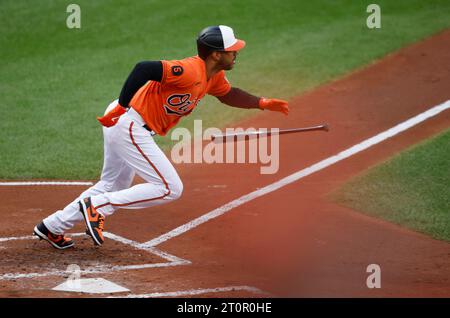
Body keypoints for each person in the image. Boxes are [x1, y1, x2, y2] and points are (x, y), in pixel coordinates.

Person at [33, 25, 289, 249]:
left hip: (127, 121)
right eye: (232, 49)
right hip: (129, 122)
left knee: (112, 186)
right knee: (169, 188)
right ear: (216, 54)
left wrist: (263, 103)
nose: (236, 53)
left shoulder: (214, 77)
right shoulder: (189, 70)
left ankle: (52, 226)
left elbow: (228, 94)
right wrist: (122, 106)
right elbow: (142, 68)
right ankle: (97, 206)